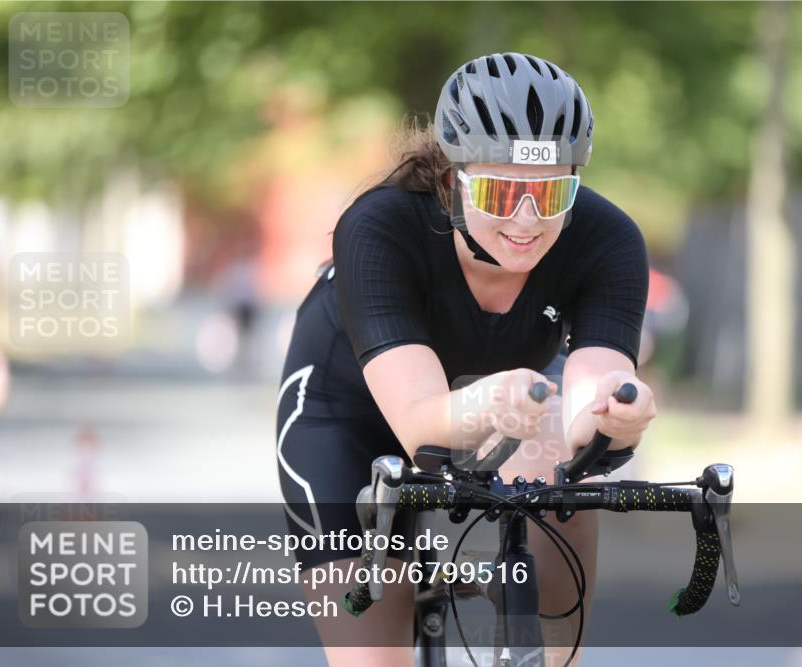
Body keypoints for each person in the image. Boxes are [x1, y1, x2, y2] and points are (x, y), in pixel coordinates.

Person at [276, 52, 656, 666]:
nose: (528, 219)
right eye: (502, 191)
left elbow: (593, 395)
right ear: (452, 181)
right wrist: (493, 400)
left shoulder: (606, 239)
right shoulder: (378, 227)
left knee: (565, 495)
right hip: (351, 413)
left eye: (552, 191)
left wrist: (617, 417)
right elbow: (422, 424)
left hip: (504, 398)